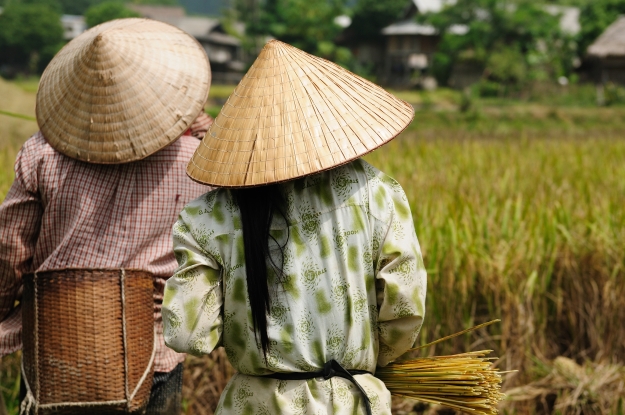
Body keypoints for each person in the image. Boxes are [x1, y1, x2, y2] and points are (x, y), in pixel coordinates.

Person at [163, 40, 427, 414]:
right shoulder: (377, 193)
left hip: (254, 404)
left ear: (248, 137)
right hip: (350, 402)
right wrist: (366, 362)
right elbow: (404, 304)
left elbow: (189, 333)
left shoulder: (208, 214)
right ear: (331, 121)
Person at [0, 18, 213, 414]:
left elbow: (10, 250)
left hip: (57, 343)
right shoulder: (200, 162)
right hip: (152, 353)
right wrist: (201, 125)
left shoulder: (41, 154)